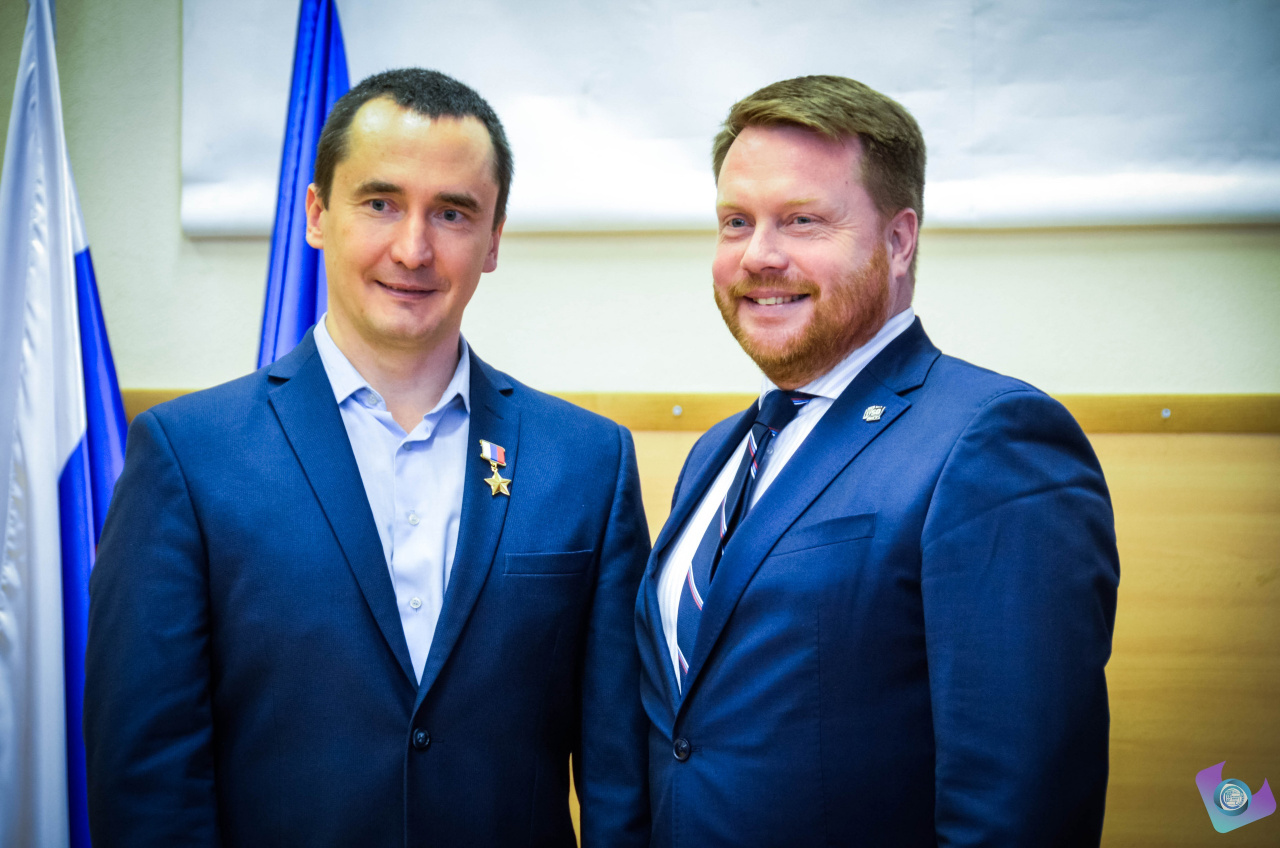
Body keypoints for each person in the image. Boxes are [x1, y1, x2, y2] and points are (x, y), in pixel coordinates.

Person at [85, 68, 650, 847]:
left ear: (493, 240)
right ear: (317, 214)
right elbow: (148, 780)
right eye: (380, 203)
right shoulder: (188, 457)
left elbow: (621, 778)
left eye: (452, 213)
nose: (412, 249)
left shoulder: (588, 463)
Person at [635, 75, 1120, 846]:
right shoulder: (715, 455)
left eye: (802, 220)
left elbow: (1020, 798)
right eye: (736, 222)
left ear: (899, 241)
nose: (758, 255)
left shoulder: (993, 440)